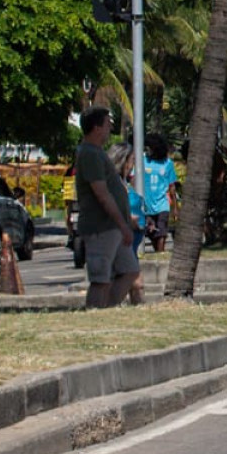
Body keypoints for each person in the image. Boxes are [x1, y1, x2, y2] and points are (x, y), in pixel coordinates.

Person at [75, 108, 140, 309]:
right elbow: (102, 194)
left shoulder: (97, 153)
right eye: (107, 124)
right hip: (101, 227)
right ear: (96, 128)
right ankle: (96, 312)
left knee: (130, 271)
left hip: (113, 227)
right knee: (101, 278)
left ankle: (107, 308)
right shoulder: (89, 154)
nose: (110, 128)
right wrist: (123, 224)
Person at [139, 134, 178, 254]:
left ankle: (160, 254)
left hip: (162, 205)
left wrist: (175, 208)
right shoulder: (143, 161)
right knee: (151, 233)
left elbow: (172, 186)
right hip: (146, 206)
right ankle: (158, 252)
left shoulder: (168, 164)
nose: (147, 150)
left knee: (161, 232)